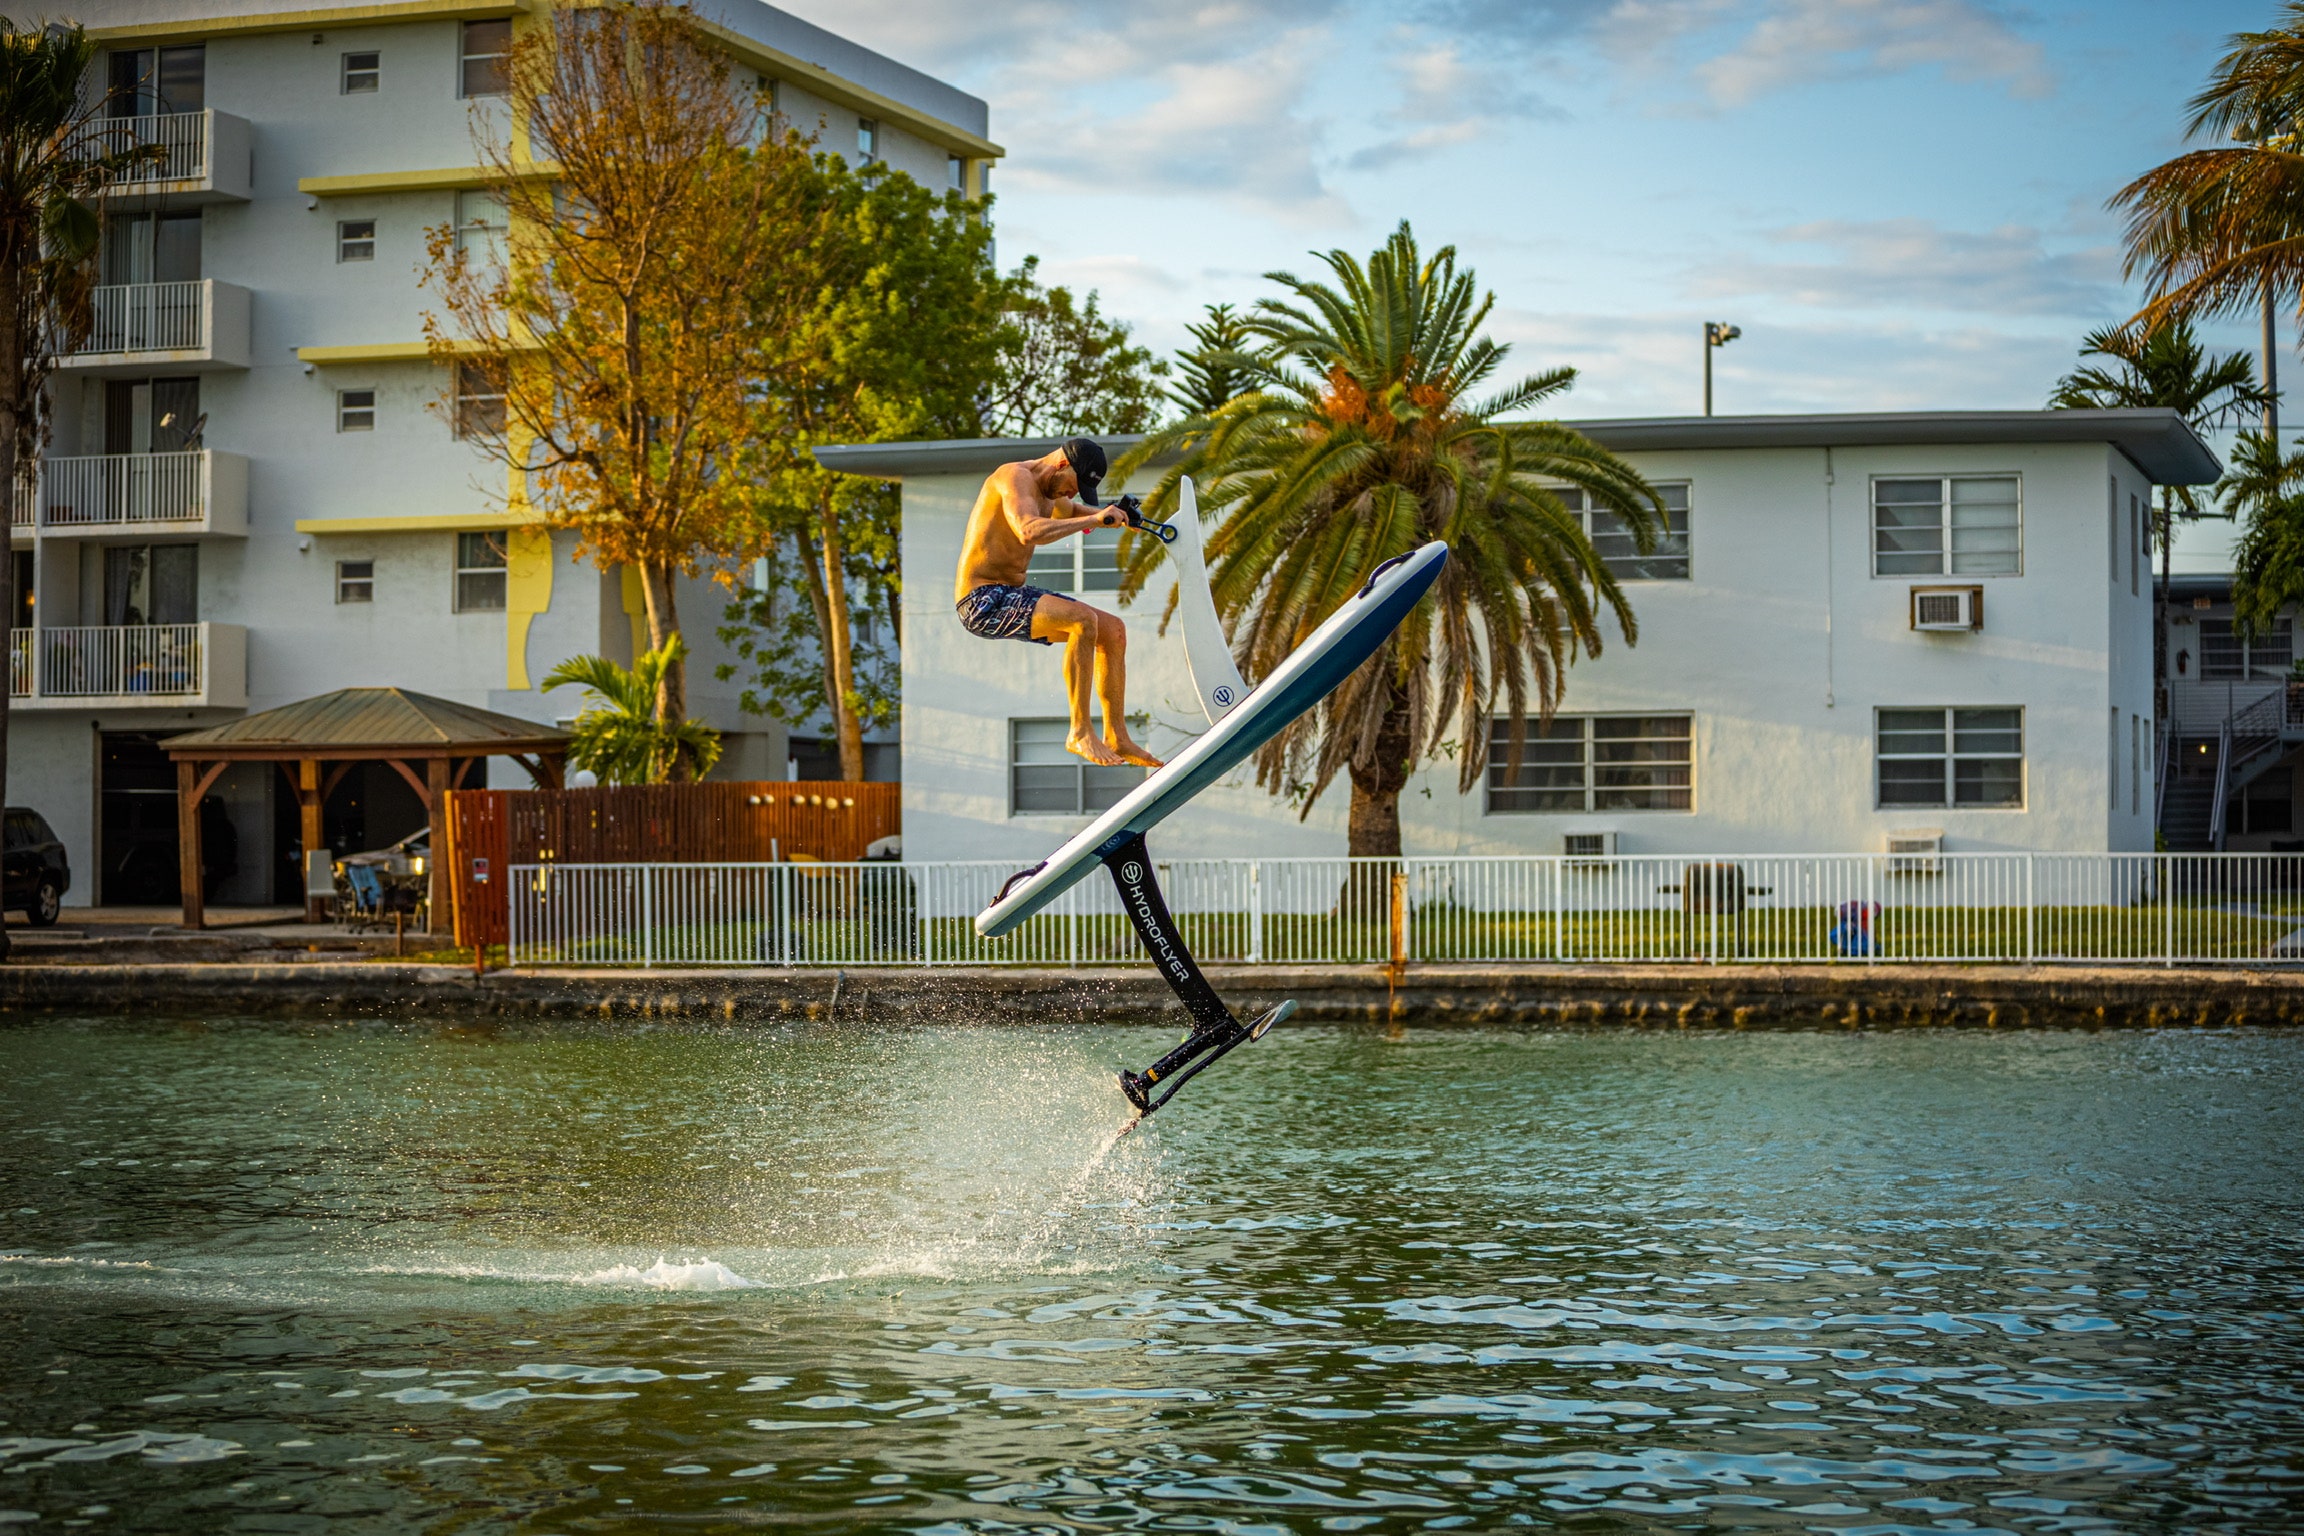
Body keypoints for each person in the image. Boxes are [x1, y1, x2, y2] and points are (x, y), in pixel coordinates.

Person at [953, 437, 1163, 768]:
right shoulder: (1013, 477)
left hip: (1011, 594)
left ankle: (1117, 737)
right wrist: (1095, 521)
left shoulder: (1052, 491)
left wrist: (1115, 516)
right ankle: (1079, 732)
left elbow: (1074, 511)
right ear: (1061, 464)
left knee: (1113, 631)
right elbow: (1027, 530)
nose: (1071, 494)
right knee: (1081, 620)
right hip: (981, 600)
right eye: (1072, 486)